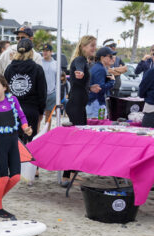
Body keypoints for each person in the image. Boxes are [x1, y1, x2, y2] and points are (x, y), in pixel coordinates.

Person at [0, 74, 32, 220]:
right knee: (3, 178)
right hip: (0, 143)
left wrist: (25, 128)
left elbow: (22, 116)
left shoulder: (12, 100)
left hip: (13, 141)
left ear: (4, 87)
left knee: (16, 177)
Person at [63, 35, 98, 185]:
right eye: (91, 46)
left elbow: (78, 84)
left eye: (95, 45)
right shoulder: (80, 60)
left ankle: (73, 172)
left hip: (79, 105)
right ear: (83, 47)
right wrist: (79, 72)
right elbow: (78, 68)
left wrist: (90, 87)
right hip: (75, 106)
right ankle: (66, 176)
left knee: (80, 140)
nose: (94, 48)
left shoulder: (85, 61)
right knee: (75, 141)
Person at [4, 38, 47, 143]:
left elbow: (4, 91)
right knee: (30, 144)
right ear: (31, 52)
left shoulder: (9, 68)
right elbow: (42, 93)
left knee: (13, 142)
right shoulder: (37, 69)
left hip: (12, 109)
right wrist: (41, 111)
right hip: (31, 110)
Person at [87, 47, 116, 119]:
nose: (112, 59)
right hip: (96, 103)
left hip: (94, 102)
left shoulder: (98, 67)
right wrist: (112, 81)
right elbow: (99, 88)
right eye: (110, 56)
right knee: (97, 127)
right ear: (102, 57)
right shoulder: (100, 69)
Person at [138, 47, 154, 129]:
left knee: (148, 140)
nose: (152, 56)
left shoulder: (153, 72)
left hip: (153, 112)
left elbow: (141, 92)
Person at [40, 44, 57, 130]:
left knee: (48, 116)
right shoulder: (39, 62)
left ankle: (47, 133)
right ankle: (36, 134)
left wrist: (57, 93)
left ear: (51, 52)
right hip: (40, 93)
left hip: (52, 93)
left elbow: (58, 79)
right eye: (43, 50)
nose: (45, 52)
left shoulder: (56, 64)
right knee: (39, 117)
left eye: (47, 51)